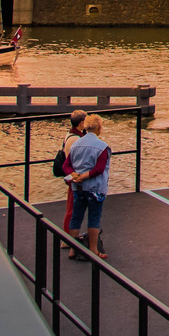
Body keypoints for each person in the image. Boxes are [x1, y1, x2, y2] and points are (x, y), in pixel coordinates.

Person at [66, 114, 111, 261]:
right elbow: (99, 169)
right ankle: (93, 249)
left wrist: (75, 175)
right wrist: (84, 176)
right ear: (99, 127)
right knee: (93, 217)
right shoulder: (102, 147)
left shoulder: (76, 144)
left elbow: (65, 165)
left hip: (78, 187)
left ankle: (73, 249)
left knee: (76, 216)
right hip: (95, 188)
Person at [60, 111, 87, 238]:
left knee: (71, 205)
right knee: (73, 207)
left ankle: (69, 235)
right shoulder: (77, 139)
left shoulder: (69, 135)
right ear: (81, 123)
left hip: (70, 174)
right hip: (75, 175)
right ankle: (68, 237)